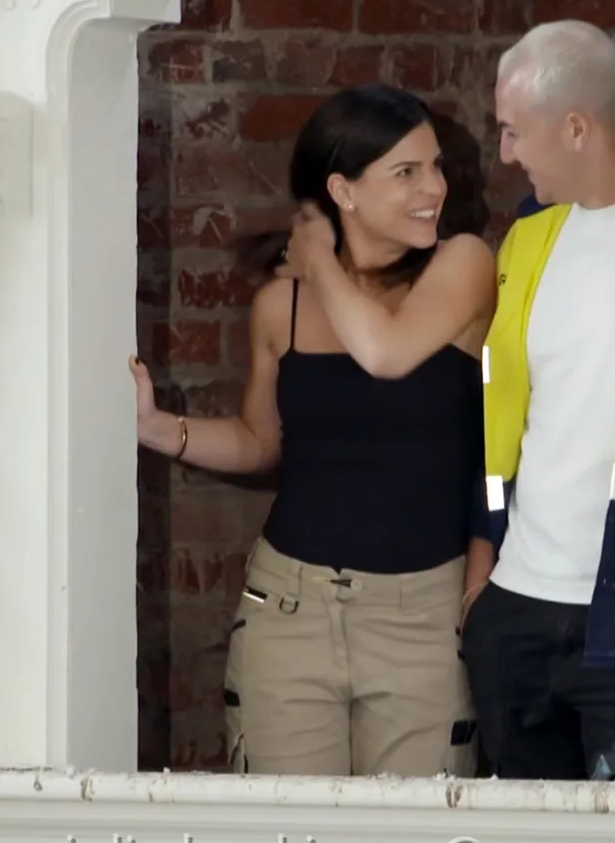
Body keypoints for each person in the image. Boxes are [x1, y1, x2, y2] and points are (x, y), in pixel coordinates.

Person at [130, 83, 497, 777]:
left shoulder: (464, 264)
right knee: (286, 821)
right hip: (287, 607)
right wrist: (156, 428)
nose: (434, 188)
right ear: (342, 190)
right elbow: (259, 441)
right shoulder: (283, 306)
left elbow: (385, 353)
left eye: (435, 167)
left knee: (412, 826)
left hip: (421, 615)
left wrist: (319, 259)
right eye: (407, 171)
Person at [461, 20, 615, 781]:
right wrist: (483, 583)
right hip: (516, 610)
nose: (505, 153)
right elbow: (506, 420)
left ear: (576, 128)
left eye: (514, 130)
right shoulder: (529, 236)